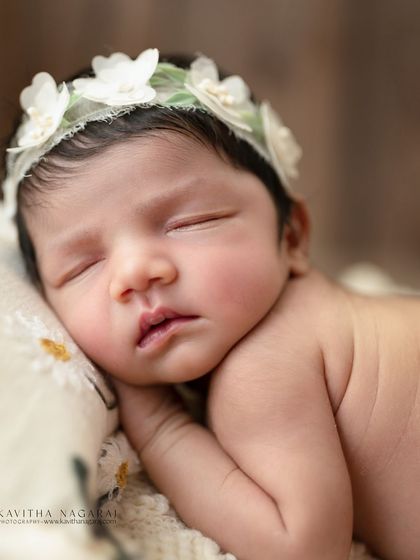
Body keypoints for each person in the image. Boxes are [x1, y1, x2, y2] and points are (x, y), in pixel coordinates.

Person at [3, 48, 419, 560]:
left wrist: (161, 429)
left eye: (187, 224)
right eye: (82, 266)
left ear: (291, 236)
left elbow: (305, 547)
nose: (135, 274)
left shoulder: (262, 367)